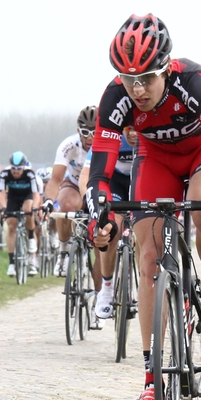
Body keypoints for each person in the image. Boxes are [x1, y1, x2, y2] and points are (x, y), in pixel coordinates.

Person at [85, 13, 201, 400]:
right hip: (155, 160)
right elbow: (100, 173)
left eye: (147, 79)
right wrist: (99, 214)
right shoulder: (114, 98)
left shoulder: (195, 81)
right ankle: (151, 382)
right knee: (149, 259)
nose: (137, 90)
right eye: (128, 79)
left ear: (166, 68)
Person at [79, 134, 134, 325]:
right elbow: (86, 174)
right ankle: (107, 286)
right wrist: (89, 200)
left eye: (137, 128)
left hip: (141, 178)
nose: (134, 133)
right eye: (129, 129)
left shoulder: (150, 132)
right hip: (116, 183)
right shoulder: (112, 135)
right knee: (112, 229)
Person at [42, 106, 96, 276]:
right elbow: (56, 179)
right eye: (85, 132)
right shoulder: (69, 145)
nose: (90, 137)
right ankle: (64, 252)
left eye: (95, 132)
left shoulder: (107, 143)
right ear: (78, 131)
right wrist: (49, 201)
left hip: (98, 185)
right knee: (65, 205)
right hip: (73, 183)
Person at [0, 151, 41, 276]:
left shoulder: (29, 174)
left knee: (28, 209)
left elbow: (36, 194)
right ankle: (12, 263)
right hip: (13, 197)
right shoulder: (5, 174)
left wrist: (35, 207)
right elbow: (1, 193)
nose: (16, 172)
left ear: (23, 167)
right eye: (13, 169)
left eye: (19, 169)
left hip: (27, 196)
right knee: (11, 226)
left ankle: (31, 237)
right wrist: (3, 207)